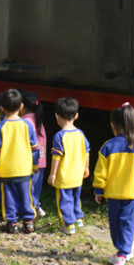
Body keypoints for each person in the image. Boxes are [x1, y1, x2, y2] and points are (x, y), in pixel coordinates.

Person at [93, 103, 134, 265]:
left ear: (113, 126)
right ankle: (124, 252)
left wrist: (99, 189)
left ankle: (122, 254)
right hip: (133, 194)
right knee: (128, 223)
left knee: (115, 225)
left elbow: (100, 172)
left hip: (113, 194)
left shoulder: (107, 146)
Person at [0, 88, 40, 234]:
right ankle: (28, 222)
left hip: (6, 170)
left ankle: (12, 223)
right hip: (25, 168)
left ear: (1, 108)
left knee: (9, 197)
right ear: (21, 107)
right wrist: (35, 163)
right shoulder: (27, 125)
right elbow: (34, 147)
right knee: (26, 195)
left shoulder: (1, 126)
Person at [47, 97, 90, 235]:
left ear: (56, 116)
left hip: (64, 177)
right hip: (77, 175)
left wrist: (52, 174)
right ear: (76, 115)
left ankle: (68, 225)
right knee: (76, 198)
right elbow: (86, 152)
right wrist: (86, 167)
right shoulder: (80, 134)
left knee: (64, 201)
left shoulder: (59, 136)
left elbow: (56, 157)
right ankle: (78, 219)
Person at [19, 90, 47, 218]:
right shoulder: (38, 119)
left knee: (27, 189)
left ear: (22, 106)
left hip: (30, 162)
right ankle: (35, 207)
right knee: (35, 189)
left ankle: (31, 211)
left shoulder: (24, 122)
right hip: (41, 160)